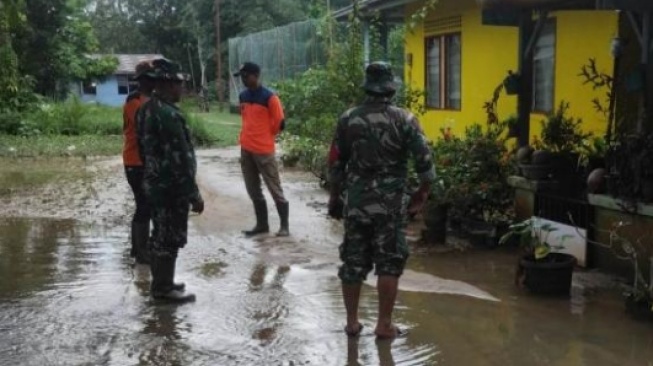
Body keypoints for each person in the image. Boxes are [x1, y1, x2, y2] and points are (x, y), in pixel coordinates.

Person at [327, 62, 436, 339]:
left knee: (353, 261)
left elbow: (336, 163)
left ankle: (352, 323)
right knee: (389, 262)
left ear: (368, 86)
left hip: (357, 202)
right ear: (390, 88)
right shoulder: (405, 120)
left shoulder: (348, 119)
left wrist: (335, 197)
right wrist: (422, 193)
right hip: (390, 205)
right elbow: (424, 161)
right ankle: (384, 325)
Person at [136, 58, 204, 303]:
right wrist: (193, 194)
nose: (182, 89)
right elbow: (182, 160)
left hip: (154, 183)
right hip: (171, 188)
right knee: (168, 237)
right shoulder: (168, 115)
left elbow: (143, 151)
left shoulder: (145, 110)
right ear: (166, 85)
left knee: (160, 234)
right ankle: (163, 289)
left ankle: (163, 283)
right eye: (179, 84)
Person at [234, 62, 289, 237]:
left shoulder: (270, 97)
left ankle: (284, 226)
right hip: (246, 148)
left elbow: (279, 122)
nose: (243, 79)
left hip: (264, 150)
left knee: (274, 187)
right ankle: (262, 225)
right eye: (241, 76)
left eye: (246, 76)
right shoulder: (243, 96)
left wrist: (266, 136)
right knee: (253, 189)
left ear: (256, 76)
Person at [123, 60, 155, 265]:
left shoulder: (147, 99)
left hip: (142, 161)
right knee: (144, 206)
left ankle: (138, 249)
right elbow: (145, 128)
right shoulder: (134, 100)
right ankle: (141, 252)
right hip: (136, 161)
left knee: (144, 206)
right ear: (144, 80)